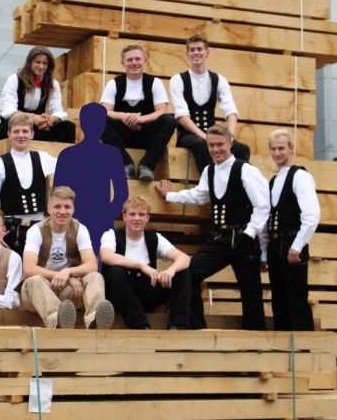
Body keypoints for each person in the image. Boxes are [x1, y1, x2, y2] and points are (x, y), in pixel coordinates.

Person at [156, 125, 270, 330]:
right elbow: (199, 195)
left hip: (243, 237)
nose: (215, 150)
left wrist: (249, 234)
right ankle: (196, 326)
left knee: (250, 289)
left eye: (220, 145)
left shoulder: (246, 169)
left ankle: (255, 334)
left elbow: (262, 206)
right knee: (190, 272)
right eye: (211, 145)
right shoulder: (209, 170)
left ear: (230, 143)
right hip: (220, 238)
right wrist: (169, 195)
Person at [21, 186, 114, 329]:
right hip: (39, 294)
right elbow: (29, 269)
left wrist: (68, 272)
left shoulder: (80, 229)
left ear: (73, 209)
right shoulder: (36, 230)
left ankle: (95, 322)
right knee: (34, 280)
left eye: (67, 207)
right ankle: (58, 322)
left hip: (68, 294)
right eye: (57, 206)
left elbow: (92, 265)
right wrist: (64, 277)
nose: (63, 211)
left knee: (95, 276)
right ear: (48, 208)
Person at [100, 196, 191, 330]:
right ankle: (140, 326)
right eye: (132, 214)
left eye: (141, 214)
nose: (137, 218)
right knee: (115, 271)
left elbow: (184, 258)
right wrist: (141, 266)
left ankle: (177, 325)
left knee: (183, 273)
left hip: (146, 293)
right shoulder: (111, 235)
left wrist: (170, 271)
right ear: (124, 217)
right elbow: (106, 257)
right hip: (120, 296)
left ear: (147, 218)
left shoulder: (154, 238)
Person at [262, 128, 320, 331]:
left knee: (296, 299)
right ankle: (282, 345)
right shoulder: (272, 181)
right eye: (273, 149)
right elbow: (267, 219)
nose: (277, 153)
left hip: (292, 242)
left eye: (281, 148)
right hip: (275, 244)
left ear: (291, 148)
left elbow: (312, 215)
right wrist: (264, 253)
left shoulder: (300, 176)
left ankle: (303, 347)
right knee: (279, 301)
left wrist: (297, 245)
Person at [53, 102, 128, 257]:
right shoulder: (67, 155)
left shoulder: (112, 154)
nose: (95, 126)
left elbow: (122, 193)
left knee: (97, 262)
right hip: (72, 219)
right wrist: (66, 215)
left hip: (101, 219)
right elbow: (58, 192)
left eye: (99, 122)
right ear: (82, 123)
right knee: (71, 261)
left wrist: (107, 215)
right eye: (90, 121)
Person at [169, 34, 250, 174]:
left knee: (242, 149)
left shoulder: (219, 79)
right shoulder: (178, 80)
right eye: (192, 50)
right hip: (188, 136)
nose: (196, 53)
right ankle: (211, 182)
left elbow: (230, 111)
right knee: (201, 144)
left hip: (213, 135)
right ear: (187, 54)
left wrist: (229, 137)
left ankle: (236, 182)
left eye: (199, 49)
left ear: (207, 52)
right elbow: (182, 116)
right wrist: (205, 137)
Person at [100, 43, 176, 181]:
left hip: (146, 135)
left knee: (169, 120)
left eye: (137, 59)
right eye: (129, 60)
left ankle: (146, 165)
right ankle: (125, 164)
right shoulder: (113, 84)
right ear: (123, 63)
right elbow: (105, 111)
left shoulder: (155, 83)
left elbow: (162, 111)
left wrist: (141, 119)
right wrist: (124, 116)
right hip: (121, 137)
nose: (134, 63)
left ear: (144, 61)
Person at [0, 112, 57, 255]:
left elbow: (68, 166)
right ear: (9, 134)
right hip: (11, 231)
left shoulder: (43, 158)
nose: (21, 135)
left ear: (32, 134)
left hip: (38, 229)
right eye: (16, 131)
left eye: (25, 131)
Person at [0, 45, 76, 142]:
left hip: (38, 127)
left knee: (68, 127)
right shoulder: (14, 79)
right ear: (29, 63)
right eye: (38, 62)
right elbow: (8, 110)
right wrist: (33, 118)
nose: (41, 66)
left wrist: (50, 120)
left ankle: (63, 152)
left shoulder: (52, 84)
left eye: (44, 63)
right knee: (10, 125)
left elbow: (58, 110)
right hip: (17, 124)